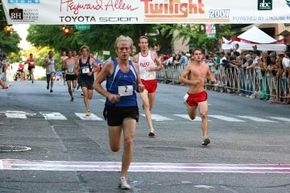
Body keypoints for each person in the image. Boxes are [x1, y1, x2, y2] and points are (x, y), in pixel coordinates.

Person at [93, 35, 144, 190]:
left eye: (127, 48)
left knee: (129, 140)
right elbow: (96, 84)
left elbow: (137, 84)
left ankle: (123, 176)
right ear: (116, 50)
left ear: (130, 50)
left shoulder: (135, 66)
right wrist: (109, 95)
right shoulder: (110, 65)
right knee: (115, 147)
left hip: (130, 106)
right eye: (121, 48)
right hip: (114, 108)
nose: (124, 51)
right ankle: (121, 165)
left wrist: (140, 87)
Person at [179, 48, 216, 146]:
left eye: (200, 54)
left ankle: (205, 137)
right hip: (191, 95)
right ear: (193, 56)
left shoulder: (206, 66)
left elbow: (209, 75)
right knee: (192, 117)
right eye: (196, 54)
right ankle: (187, 103)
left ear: (202, 55)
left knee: (204, 114)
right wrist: (192, 82)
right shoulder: (190, 67)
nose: (198, 56)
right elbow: (181, 78)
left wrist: (213, 79)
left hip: (201, 93)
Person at [134, 36, 162, 137]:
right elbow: (135, 71)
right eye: (142, 43)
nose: (144, 44)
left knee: (150, 106)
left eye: (145, 42)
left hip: (152, 82)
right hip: (142, 83)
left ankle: (146, 107)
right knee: (146, 104)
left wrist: (154, 68)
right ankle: (151, 129)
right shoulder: (137, 57)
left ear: (147, 44)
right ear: (139, 44)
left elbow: (160, 67)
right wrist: (138, 82)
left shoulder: (153, 54)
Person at [74, 46, 98, 116]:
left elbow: (97, 67)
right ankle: (88, 110)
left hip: (90, 79)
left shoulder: (91, 60)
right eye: (83, 51)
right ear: (81, 52)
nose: (84, 52)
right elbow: (75, 69)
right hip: (82, 78)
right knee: (85, 93)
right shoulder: (79, 60)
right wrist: (77, 73)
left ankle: (87, 99)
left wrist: (92, 72)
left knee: (90, 96)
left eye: (86, 51)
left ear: (88, 52)